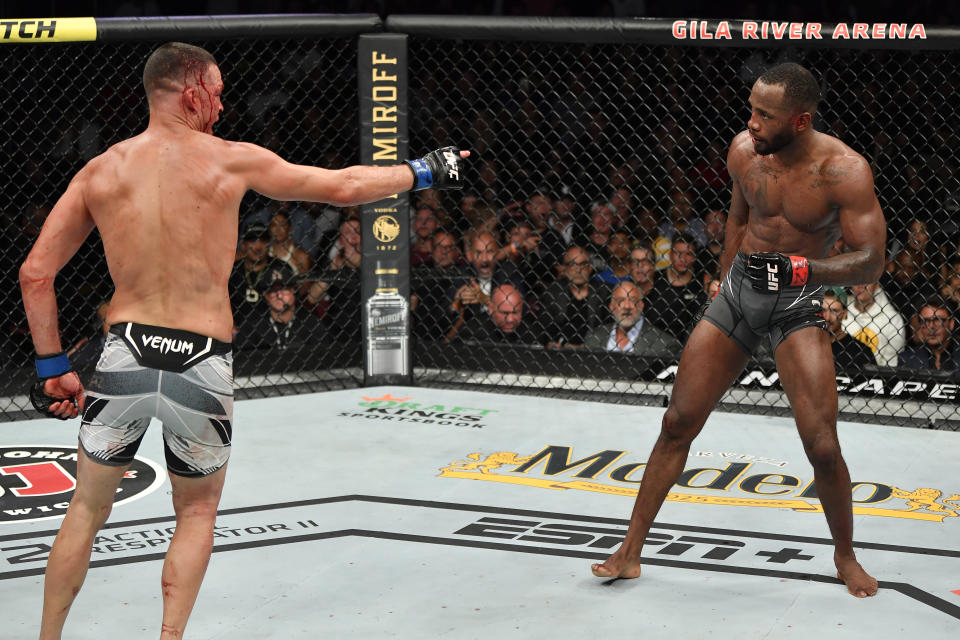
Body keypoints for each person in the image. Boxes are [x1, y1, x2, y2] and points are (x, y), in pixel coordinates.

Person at [18, 42, 468, 639]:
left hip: (124, 351)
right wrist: (422, 170)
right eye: (219, 92)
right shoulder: (229, 161)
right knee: (197, 511)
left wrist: (53, 365)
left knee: (86, 511)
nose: (224, 106)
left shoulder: (100, 169)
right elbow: (340, 186)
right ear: (191, 91)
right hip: (200, 361)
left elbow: (35, 274)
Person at [590, 63, 885, 599]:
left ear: (800, 120)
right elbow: (739, 217)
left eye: (764, 114)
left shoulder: (843, 170)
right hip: (739, 291)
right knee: (678, 421)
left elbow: (870, 262)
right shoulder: (744, 151)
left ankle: (845, 556)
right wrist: (725, 275)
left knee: (821, 445)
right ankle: (629, 551)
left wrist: (806, 271)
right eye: (750, 108)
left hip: (797, 300)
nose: (751, 122)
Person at [584, 281, 680, 357]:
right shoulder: (593, 338)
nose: (627, 306)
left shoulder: (664, 345)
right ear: (611, 307)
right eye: (620, 301)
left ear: (641, 306)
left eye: (633, 300)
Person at [843, 281, 905, 367]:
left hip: (879, 376)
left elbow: (892, 363)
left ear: (877, 285)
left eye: (866, 281)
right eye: (857, 280)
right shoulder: (839, 312)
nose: (860, 286)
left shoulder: (893, 319)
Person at [898, 297, 960, 376]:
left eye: (938, 320)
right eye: (926, 321)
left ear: (951, 324)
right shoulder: (906, 359)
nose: (931, 326)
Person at [821, 289, 877, 373]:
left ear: (844, 314)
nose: (827, 317)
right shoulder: (803, 345)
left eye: (834, 311)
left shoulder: (860, 352)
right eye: (823, 310)